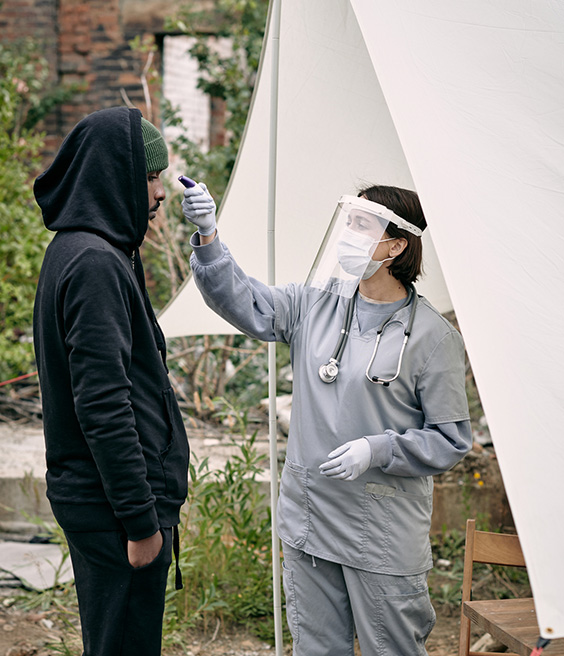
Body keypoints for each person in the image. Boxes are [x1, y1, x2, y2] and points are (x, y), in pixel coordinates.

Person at [181, 181, 472, 656]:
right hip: (310, 518)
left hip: (381, 531)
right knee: (316, 649)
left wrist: (378, 449)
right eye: (349, 222)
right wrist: (210, 237)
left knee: (391, 650)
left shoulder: (432, 338)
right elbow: (245, 301)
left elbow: (451, 440)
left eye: (363, 225)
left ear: (397, 245)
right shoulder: (314, 304)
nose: (349, 234)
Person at [33, 107, 189, 656]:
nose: (159, 192)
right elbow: (103, 404)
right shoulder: (95, 264)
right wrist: (141, 521)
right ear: (114, 175)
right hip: (114, 513)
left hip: (109, 506)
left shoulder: (86, 251)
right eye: (149, 177)